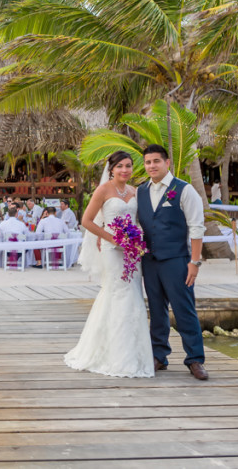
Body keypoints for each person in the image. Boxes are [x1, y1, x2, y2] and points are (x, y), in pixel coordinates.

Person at [64, 150, 154, 379]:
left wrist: (137, 240)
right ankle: (113, 355)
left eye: (128, 166)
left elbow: (139, 220)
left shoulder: (136, 191)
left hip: (132, 251)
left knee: (134, 293)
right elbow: (86, 220)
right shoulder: (103, 190)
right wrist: (111, 238)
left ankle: (134, 353)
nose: (125, 170)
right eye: (120, 166)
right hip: (112, 249)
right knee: (117, 293)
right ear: (111, 169)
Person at [138, 144, 207, 380]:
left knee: (184, 310)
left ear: (167, 163)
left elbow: (197, 228)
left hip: (177, 260)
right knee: (156, 311)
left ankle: (195, 359)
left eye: (156, 161)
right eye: (148, 162)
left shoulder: (184, 190)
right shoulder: (141, 191)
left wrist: (194, 263)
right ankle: (159, 355)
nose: (151, 166)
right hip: (150, 261)